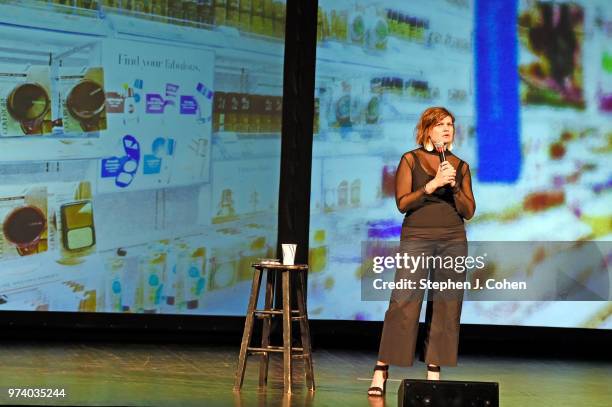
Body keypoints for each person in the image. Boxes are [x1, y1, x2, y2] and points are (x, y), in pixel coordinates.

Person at [367, 107, 476, 397]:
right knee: (404, 302)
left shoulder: (460, 166)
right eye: (440, 124)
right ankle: (381, 368)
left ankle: (433, 370)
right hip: (417, 236)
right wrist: (431, 185)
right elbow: (403, 203)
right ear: (427, 129)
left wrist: (452, 186)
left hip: (453, 238)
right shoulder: (410, 159)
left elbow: (469, 211)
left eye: (450, 124)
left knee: (446, 306)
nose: (447, 129)